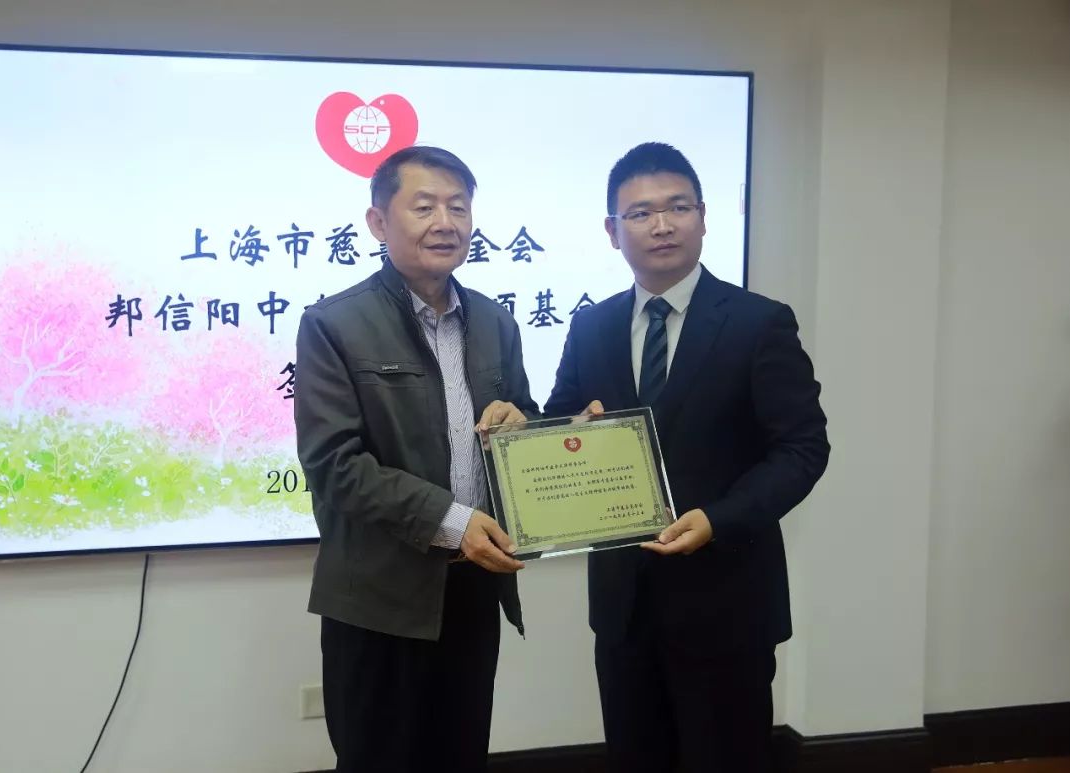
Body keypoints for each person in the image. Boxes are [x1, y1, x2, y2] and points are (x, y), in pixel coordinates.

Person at [544, 142, 830, 772]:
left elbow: (803, 447)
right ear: (613, 232)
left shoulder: (759, 322)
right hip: (624, 605)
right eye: (641, 213)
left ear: (703, 218)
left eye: (678, 207)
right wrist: (560, 436)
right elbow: (560, 422)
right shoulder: (591, 327)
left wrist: (720, 519)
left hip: (728, 601)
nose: (662, 224)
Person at [294, 145, 538, 773]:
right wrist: (454, 521)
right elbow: (335, 464)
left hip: (474, 588)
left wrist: (530, 429)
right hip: (379, 597)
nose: (445, 223)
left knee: (460, 755)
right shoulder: (333, 324)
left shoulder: (496, 322)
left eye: (459, 207)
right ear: (378, 222)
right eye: (424, 206)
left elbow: (522, 422)